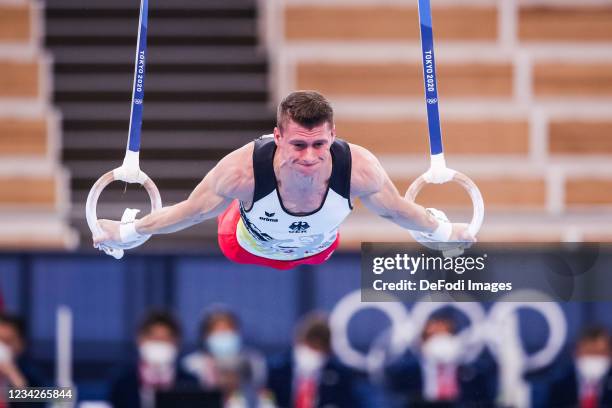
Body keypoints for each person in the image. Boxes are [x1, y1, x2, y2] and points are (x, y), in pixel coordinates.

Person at [94, 90, 474, 270]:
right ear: (276, 137)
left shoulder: (358, 168)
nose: (309, 156)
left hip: (318, 249)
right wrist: (130, 232)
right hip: (243, 245)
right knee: (220, 216)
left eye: (319, 144)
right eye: (297, 144)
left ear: (333, 135)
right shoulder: (243, 170)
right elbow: (192, 213)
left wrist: (442, 232)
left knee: (375, 214)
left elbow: (396, 212)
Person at [385, 314, 497, 407]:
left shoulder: (474, 375)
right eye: (434, 336)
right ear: (422, 342)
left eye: (445, 335)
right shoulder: (405, 374)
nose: (440, 342)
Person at [181, 307, 270, 407]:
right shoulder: (191, 364)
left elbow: (262, 393)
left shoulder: (254, 360)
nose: (223, 334)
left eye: (228, 329)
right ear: (205, 335)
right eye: (217, 330)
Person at [266, 312, 359, 408]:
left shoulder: (340, 375)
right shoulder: (275, 369)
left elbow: (353, 402)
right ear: (299, 342)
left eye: (318, 349)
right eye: (310, 346)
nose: (313, 354)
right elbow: (266, 397)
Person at [108, 311, 198, 408]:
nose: (159, 344)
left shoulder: (190, 383)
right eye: (154, 338)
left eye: (165, 339)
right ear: (139, 340)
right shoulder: (122, 382)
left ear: (177, 343)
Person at [547, 326, 612, 407]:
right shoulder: (558, 386)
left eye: (600, 352)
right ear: (576, 353)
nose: (594, 357)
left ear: (610, 354)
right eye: (589, 352)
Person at [0, 314, 45, 408]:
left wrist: (14, 376)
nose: (2, 347)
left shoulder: (30, 370)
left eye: (7, 341)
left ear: (21, 342)